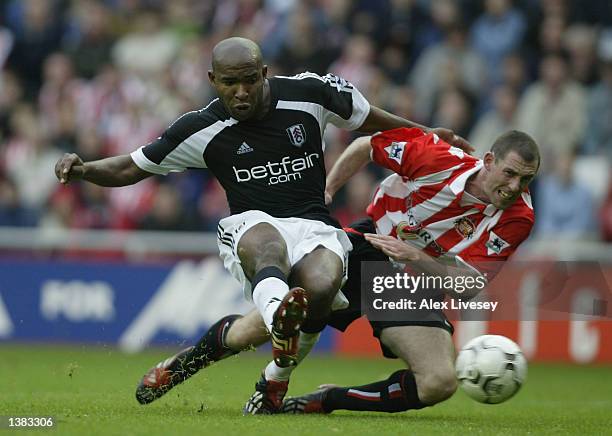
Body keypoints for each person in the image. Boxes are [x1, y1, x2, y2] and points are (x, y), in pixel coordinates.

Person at [53, 37, 470, 414]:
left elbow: (367, 122)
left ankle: (290, 382)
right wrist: (84, 169)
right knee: (272, 255)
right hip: (277, 228)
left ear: (264, 73)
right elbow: (130, 166)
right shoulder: (201, 128)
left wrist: (426, 134)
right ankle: (270, 340)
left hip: (345, 243)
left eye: (250, 80)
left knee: (326, 297)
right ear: (213, 80)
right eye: (230, 82)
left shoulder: (310, 94)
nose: (241, 91)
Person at [129, 127, 538, 416]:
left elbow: (469, 287)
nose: (515, 186)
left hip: (412, 280)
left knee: (438, 383)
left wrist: (416, 258)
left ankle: (325, 400)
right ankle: (181, 366)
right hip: (365, 245)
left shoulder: (520, 216)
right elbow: (365, 146)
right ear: (488, 161)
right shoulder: (437, 158)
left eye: (525, 179)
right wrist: (327, 190)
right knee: (253, 330)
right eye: (509, 173)